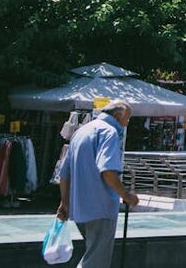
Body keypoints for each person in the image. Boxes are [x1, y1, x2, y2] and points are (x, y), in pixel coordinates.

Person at [57, 101, 140, 268]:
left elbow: (64, 174)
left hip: (79, 208)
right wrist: (127, 196)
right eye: (128, 119)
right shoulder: (109, 132)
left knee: (92, 256)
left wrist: (64, 203)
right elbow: (108, 171)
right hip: (100, 208)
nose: (127, 123)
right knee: (96, 262)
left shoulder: (81, 132)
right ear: (118, 116)